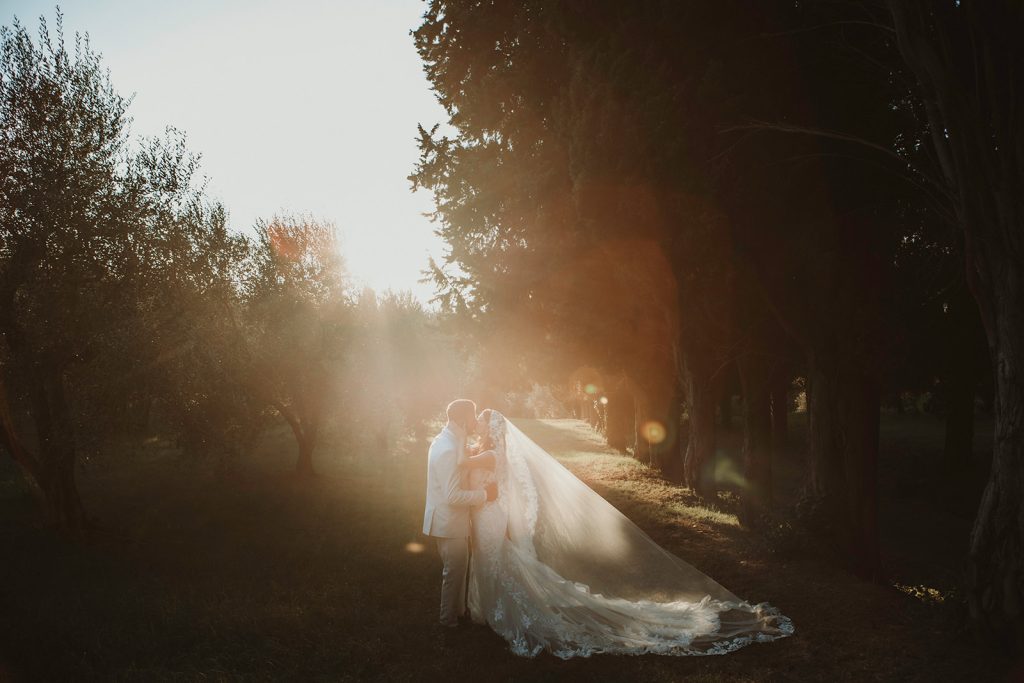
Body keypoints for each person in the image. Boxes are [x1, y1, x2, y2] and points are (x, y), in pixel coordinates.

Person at [456, 408, 794, 658]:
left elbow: (462, 464)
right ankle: (493, 608)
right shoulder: (488, 451)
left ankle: (503, 613)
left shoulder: (487, 454)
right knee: (496, 563)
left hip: (489, 517)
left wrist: (457, 448)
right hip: (489, 516)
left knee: (497, 563)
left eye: (482, 424)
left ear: (492, 430)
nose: (478, 429)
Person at [422, 399, 497, 628]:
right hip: (449, 522)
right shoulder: (448, 448)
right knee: (453, 574)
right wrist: (485, 495)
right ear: (464, 419)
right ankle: (448, 624)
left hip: (449, 521)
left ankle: (460, 612)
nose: (475, 421)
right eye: (473, 416)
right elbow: (453, 496)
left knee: (459, 568)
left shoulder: (448, 440)